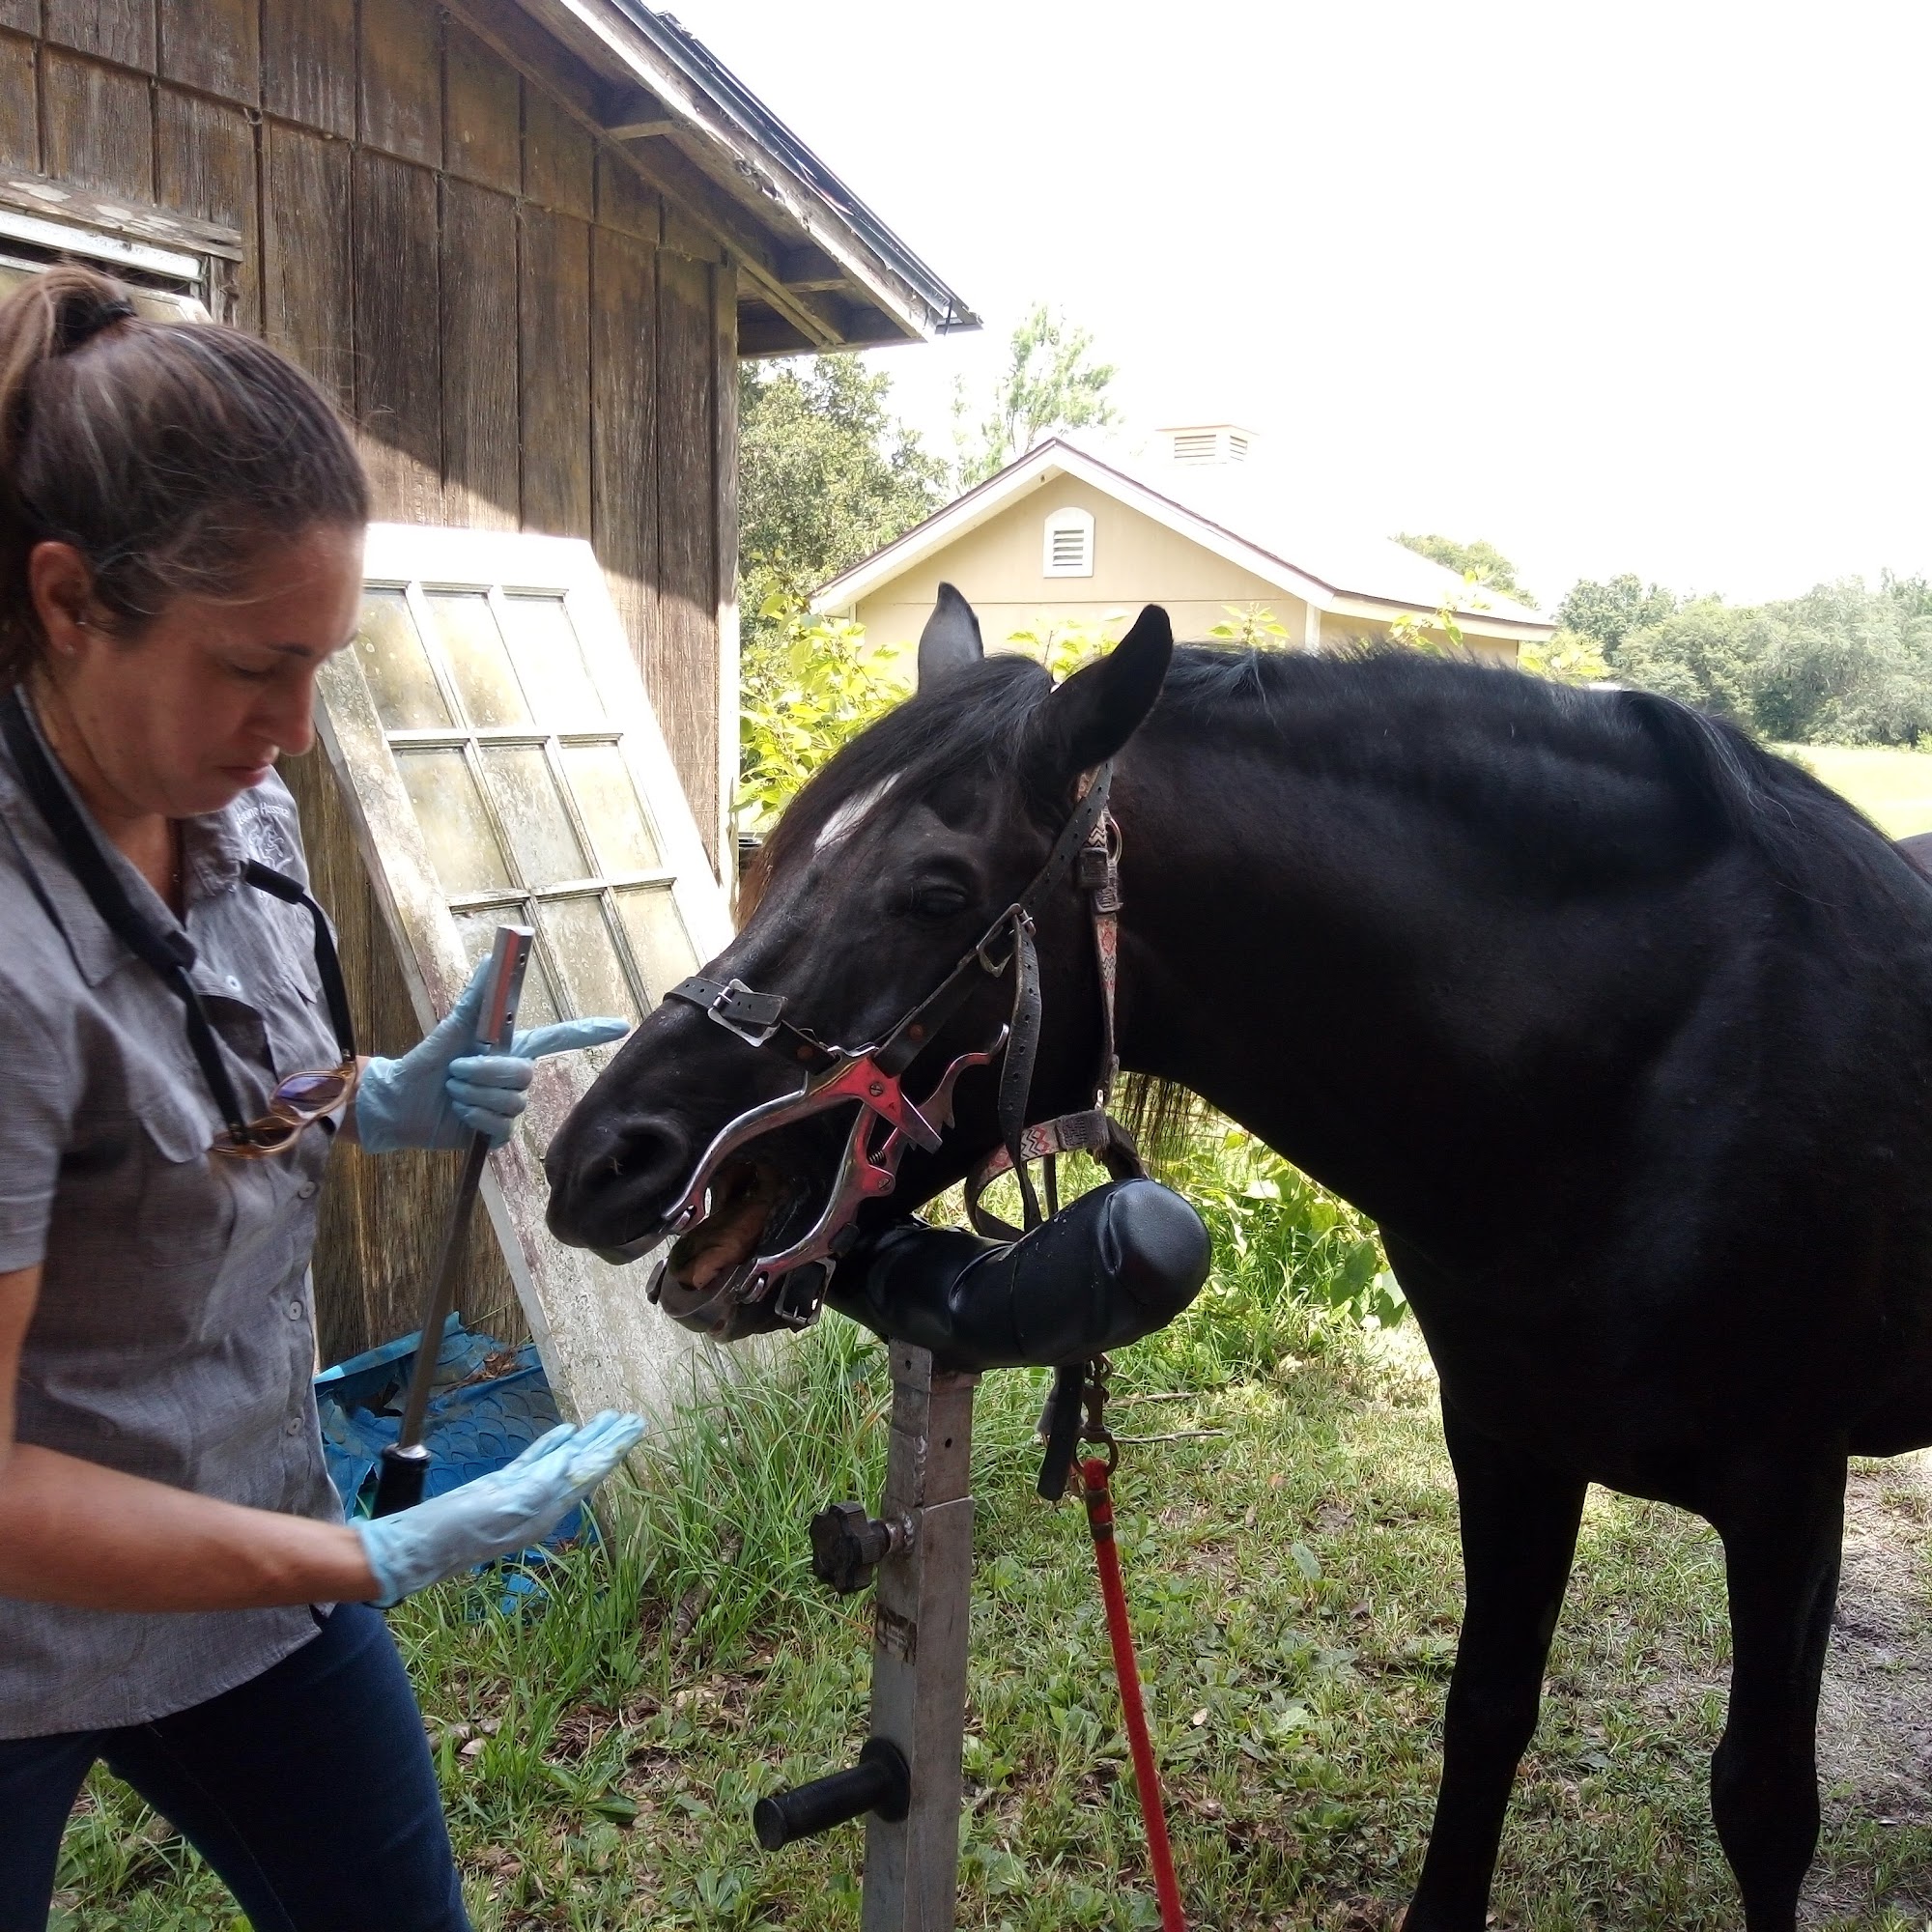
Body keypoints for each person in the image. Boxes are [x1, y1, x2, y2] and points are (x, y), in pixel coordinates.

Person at [0, 266, 641, 1932]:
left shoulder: (231, 800)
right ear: (67, 603)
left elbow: (221, 1073)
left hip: (239, 1538)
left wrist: (378, 1098)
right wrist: (365, 1559)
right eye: (253, 669)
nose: (291, 731)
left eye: (323, 670)